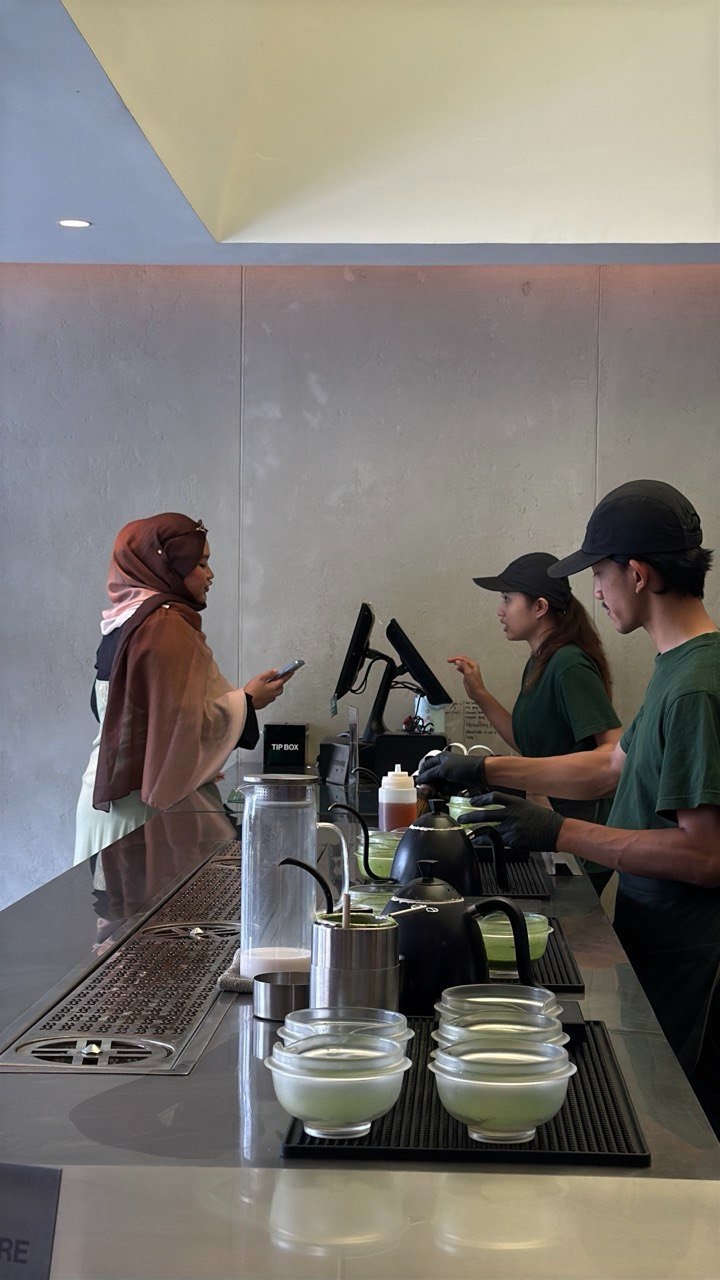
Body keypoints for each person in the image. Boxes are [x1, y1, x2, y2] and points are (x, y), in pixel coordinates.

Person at [418, 479, 720, 1134]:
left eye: (600, 574)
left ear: (637, 573)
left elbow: (705, 855)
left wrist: (561, 831)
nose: (598, 593)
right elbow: (610, 767)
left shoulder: (697, 685)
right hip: (650, 929)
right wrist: (486, 768)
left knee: (668, 1125)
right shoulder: (675, 666)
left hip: (683, 951)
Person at [74, 512, 293, 864]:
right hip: (142, 816)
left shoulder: (123, 622)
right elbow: (178, 727)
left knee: (108, 899)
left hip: (106, 803)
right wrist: (248, 701)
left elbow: (117, 713)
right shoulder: (164, 626)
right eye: (200, 563)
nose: (210, 574)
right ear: (169, 565)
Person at [447, 551, 621, 893]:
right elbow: (529, 743)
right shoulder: (541, 660)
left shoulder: (569, 664)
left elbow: (612, 754)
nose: (500, 610)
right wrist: (480, 694)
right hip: (549, 823)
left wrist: (488, 769)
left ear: (540, 607)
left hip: (580, 838)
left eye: (507, 599)